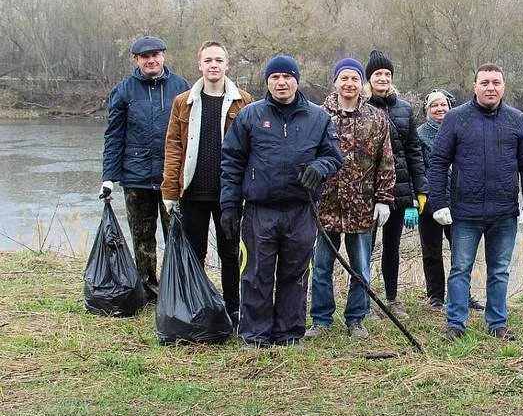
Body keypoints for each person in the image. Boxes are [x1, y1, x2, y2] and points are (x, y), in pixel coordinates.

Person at [220, 55, 342, 347]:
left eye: (287, 77)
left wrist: (319, 168)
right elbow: (231, 162)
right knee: (255, 274)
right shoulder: (249, 116)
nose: (281, 82)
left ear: (296, 80)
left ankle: (289, 334)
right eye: (275, 77)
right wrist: (229, 205)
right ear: (268, 82)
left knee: (295, 273)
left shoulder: (318, 118)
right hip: (260, 210)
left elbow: (333, 156)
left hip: (300, 211)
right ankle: (255, 335)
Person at [428, 63, 523, 342]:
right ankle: (456, 324)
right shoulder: (455, 118)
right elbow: (438, 162)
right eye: (485, 82)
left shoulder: (517, 119)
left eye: (496, 82)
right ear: (475, 86)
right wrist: (438, 202)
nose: (491, 87)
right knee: (460, 269)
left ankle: (497, 323)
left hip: (504, 212)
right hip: (465, 212)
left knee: (499, 270)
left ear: (503, 86)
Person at [161, 41, 253, 326]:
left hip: (229, 194)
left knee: (230, 253)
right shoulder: (183, 101)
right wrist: (169, 191)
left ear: (227, 65)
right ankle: (196, 306)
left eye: (219, 60)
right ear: (199, 65)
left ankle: (233, 309)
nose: (214, 65)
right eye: (208, 60)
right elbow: (174, 147)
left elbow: (252, 149)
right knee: (195, 253)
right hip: (193, 192)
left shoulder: (244, 101)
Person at [307, 58, 395, 340]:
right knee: (322, 267)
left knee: (361, 268)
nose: (349, 84)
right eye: (344, 78)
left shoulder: (376, 117)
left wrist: (383, 198)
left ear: (362, 83)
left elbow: (386, 161)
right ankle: (321, 319)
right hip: (326, 205)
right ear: (335, 82)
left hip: (362, 206)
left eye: (354, 79)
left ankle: (356, 318)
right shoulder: (318, 115)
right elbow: (307, 156)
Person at [100, 35, 190, 302]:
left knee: (177, 236)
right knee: (142, 239)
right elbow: (114, 136)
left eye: (155, 55)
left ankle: (178, 290)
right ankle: (149, 291)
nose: (151, 60)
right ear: (136, 60)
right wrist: (109, 177)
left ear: (163, 56)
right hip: (136, 178)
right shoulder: (124, 91)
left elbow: (191, 134)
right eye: (145, 57)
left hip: (171, 178)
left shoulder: (181, 87)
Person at [364, 50, 428, 319]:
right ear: (369, 78)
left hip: (399, 189)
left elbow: (413, 150)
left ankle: (392, 298)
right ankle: (364, 301)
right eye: (378, 74)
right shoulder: (362, 107)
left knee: (392, 246)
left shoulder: (404, 108)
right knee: (364, 248)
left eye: (387, 74)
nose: (383, 78)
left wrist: (420, 189)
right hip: (367, 191)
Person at [416, 89, 485, 312]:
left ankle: (463, 294)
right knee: (431, 251)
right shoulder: (419, 135)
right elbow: (417, 168)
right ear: (427, 110)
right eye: (434, 105)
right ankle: (435, 296)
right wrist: (418, 197)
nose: (439, 109)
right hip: (430, 202)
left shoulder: (462, 130)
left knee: (461, 251)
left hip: (460, 201)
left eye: (443, 105)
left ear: (450, 107)